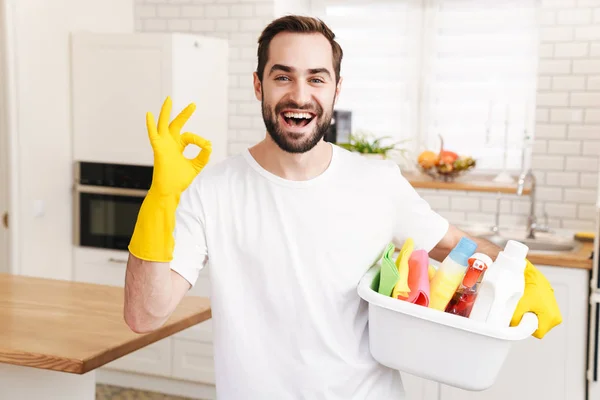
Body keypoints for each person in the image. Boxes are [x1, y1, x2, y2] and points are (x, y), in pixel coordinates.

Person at [124, 15, 562, 400]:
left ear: (336, 88)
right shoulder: (212, 189)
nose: (300, 94)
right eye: (282, 77)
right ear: (258, 84)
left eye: (316, 78)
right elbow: (145, 314)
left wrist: (515, 272)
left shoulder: (377, 181)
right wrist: (160, 199)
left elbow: (454, 248)